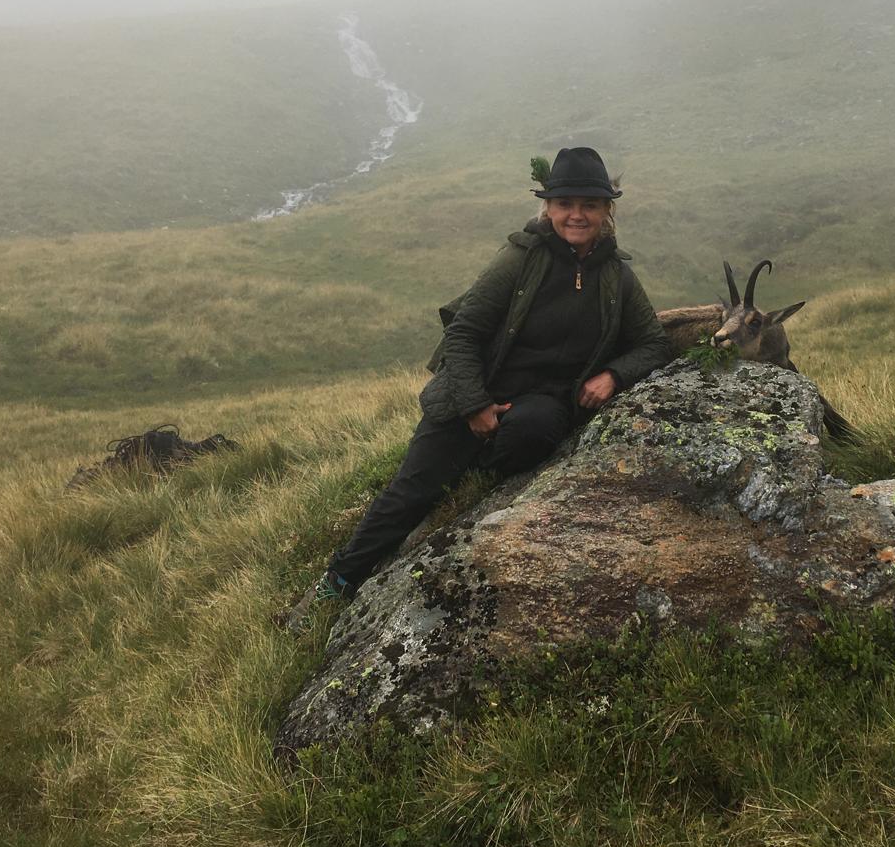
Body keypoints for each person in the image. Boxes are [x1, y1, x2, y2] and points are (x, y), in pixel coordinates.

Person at [288, 147, 672, 622]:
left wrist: (613, 375)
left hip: (537, 404)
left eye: (589, 205)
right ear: (548, 208)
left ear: (606, 211)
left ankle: (480, 470)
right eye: (565, 203)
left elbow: (653, 344)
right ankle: (336, 583)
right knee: (409, 494)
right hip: (471, 391)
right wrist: (473, 405)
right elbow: (464, 332)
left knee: (536, 429)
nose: (577, 215)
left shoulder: (617, 276)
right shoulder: (519, 259)